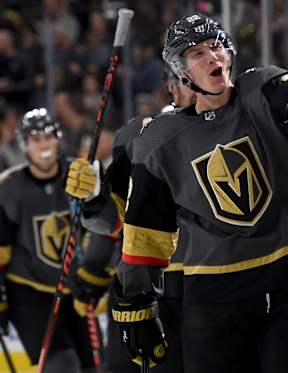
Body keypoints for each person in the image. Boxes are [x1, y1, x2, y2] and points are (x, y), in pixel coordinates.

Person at [112, 13, 288, 373]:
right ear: (182, 73)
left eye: (216, 46)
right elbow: (146, 236)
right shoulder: (158, 142)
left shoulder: (260, 89)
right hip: (213, 302)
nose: (212, 56)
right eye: (197, 53)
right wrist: (134, 302)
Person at [64, 69, 196, 373]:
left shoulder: (230, 125)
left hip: (212, 282)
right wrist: (94, 197)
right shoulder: (137, 134)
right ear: (170, 87)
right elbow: (114, 219)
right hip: (145, 287)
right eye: (182, 79)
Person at [0, 108, 98, 373]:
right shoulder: (9, 188)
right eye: (35, 139)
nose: (43, 145)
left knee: (94, 366)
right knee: (62, 365)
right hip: (30, 289)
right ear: (25, 146)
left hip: (76, 286)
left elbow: (99, 229)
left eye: (47, 137)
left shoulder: (78, 174)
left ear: (58, 140)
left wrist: (96, 272)